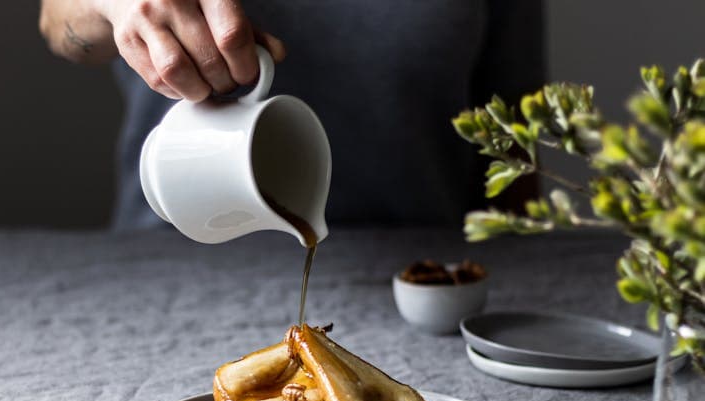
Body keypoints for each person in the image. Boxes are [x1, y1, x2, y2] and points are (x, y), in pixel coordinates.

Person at [39, 0, 544, 230]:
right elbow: (57, 23)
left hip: (420, 266)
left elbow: (514, 117)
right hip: (169, 262)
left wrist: (513, 265)